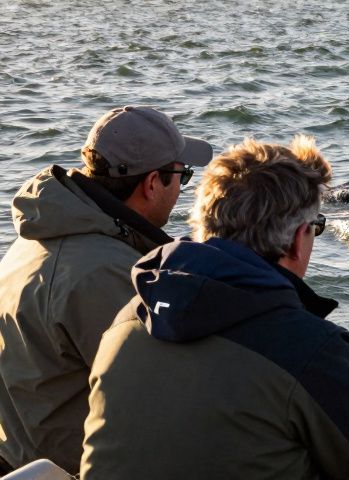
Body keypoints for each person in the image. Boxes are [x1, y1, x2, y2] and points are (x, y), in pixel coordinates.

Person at [80, 135, 349, 479]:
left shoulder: (132, 316)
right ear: (297, 239)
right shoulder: (305, 350)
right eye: (316, 229)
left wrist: (344, 383)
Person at [0, 106, 212, 474]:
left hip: (20, 456)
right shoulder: (107, 273)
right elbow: (164, 399)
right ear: (151, 184)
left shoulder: (37, 235)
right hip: (76, 468)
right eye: (183, 176)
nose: (181, 188)